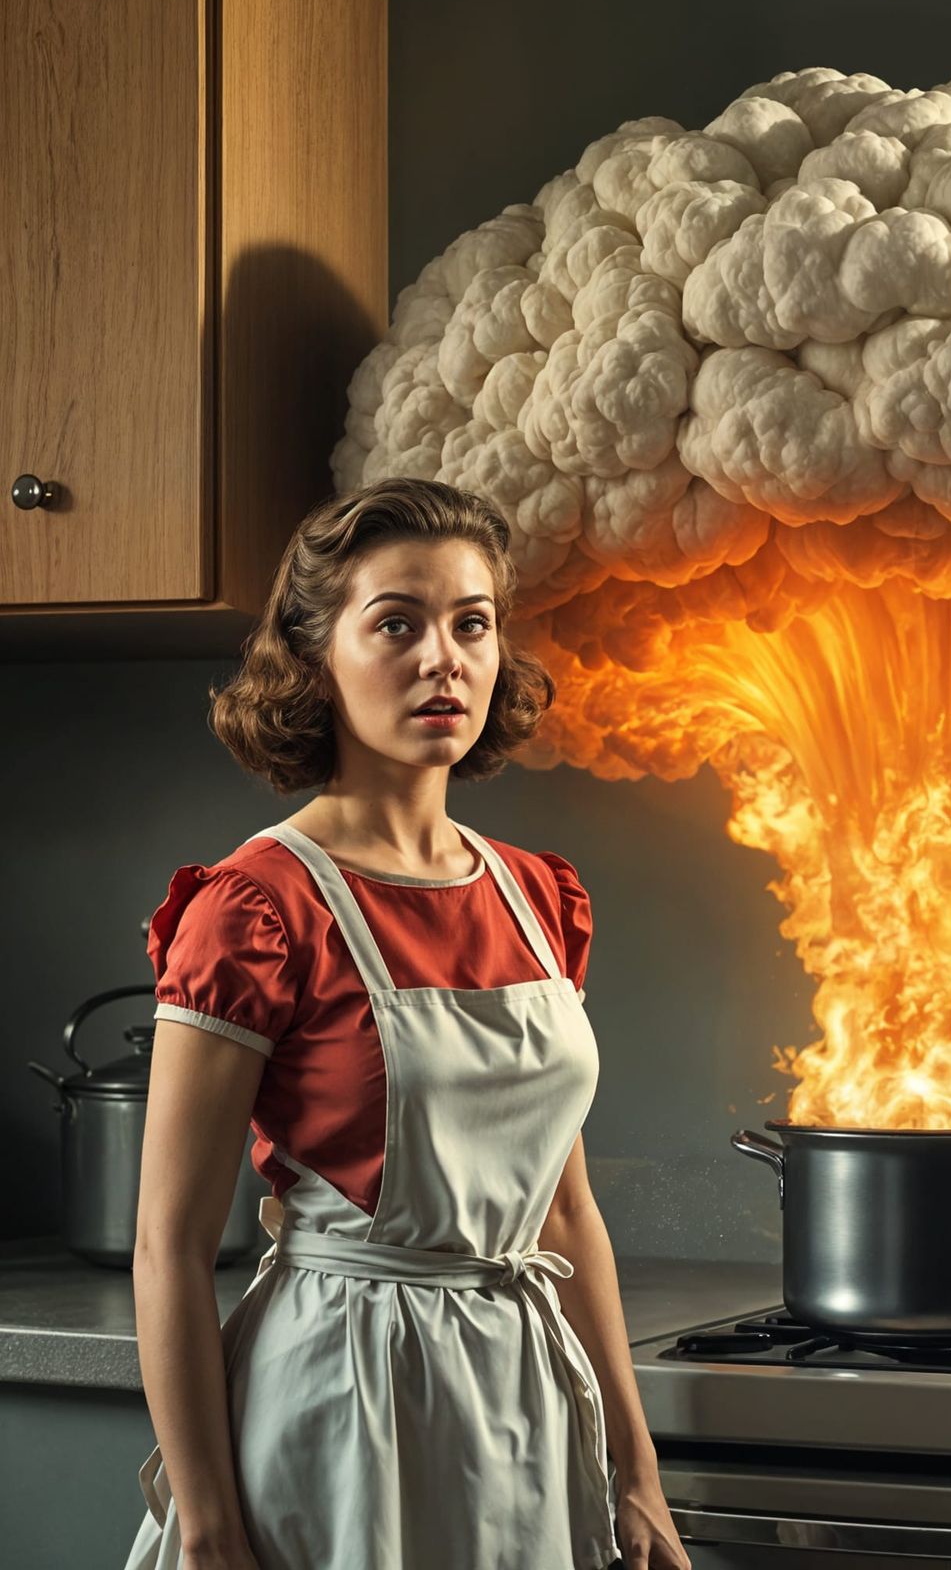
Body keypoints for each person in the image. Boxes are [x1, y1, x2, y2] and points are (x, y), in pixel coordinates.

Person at [122, 478, 691, 1570]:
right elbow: (170, 1246)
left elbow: (565, 1218)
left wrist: (636, 1471)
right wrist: (206, 1525)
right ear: (315, 659)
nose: (446, 659)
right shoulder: (255, 909)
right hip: (341, 1398)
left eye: (471, 623)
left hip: (522, 1401)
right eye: (398, 623)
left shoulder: (539, 897)